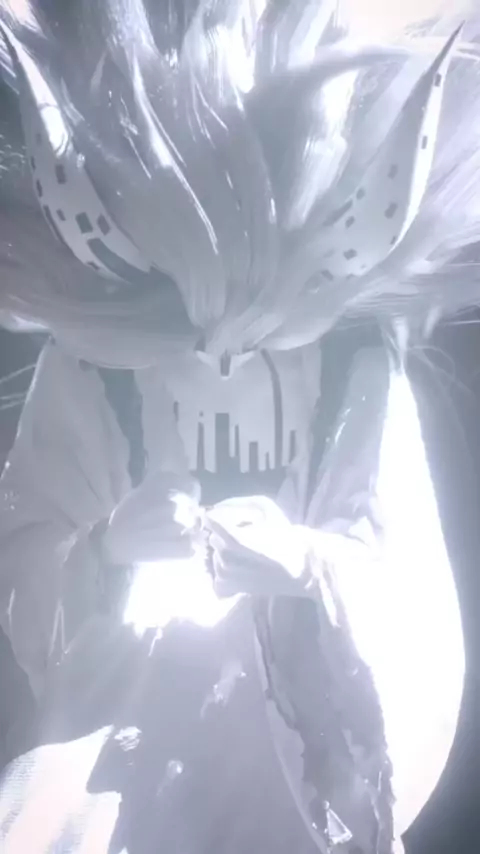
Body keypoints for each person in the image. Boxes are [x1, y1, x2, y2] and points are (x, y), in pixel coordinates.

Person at [0, 1, 476, 851]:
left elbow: (410, 604)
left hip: (293, 759)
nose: (219, 364)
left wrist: (310, 569)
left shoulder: (353, 371)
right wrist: (104, 552)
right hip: (118, 758)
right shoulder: (92, 367)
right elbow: (24, 569)